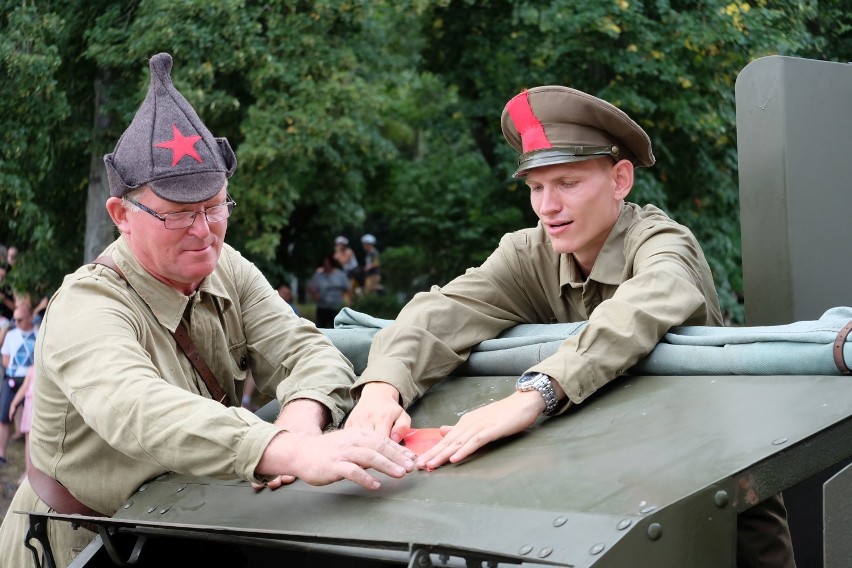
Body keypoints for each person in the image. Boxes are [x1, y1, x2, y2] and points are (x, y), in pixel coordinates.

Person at [345, 86, 795, 567]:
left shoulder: (660, 240)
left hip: (709, 489)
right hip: (601, 489)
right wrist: (381, 390)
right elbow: (441, 312)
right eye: (536, 187)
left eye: (567, 183)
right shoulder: (529, 253)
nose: (547, 206)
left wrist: (533, 394)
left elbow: (652, 297)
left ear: (620, 179)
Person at [0, 52, 414, 568]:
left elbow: (307, 350)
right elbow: (139, 410)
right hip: (80, 542)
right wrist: (280, 450)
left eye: (215, 206)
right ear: (121, 215)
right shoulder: (87, 306)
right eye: (177, 215)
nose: (204, 231)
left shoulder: (225, 265)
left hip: (181, 526)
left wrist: (300, 426)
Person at [0, 301, 36, 466]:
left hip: (32, 384)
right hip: (13, 381)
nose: (16, 323)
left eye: (20, 320)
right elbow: (6, 360)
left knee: (31, 427)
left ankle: (30, 467)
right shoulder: (10, 335)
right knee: (4, 417)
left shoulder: (39, 334)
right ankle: (1, 454)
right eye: (14, 320)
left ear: (30, 317)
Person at [308, 255, 352, 328]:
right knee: (321, 327)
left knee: (335, 327)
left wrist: (349, 300)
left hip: (336, 306)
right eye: (324, 264)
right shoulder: (319, 276)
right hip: (322, 306)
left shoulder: (340, 275)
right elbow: (312, 287)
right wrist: (315, 294)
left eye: (328, 264)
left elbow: (348, 289)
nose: (326, 266)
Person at [9, 365, 35, 483]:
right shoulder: (31, 369)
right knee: (28, 440)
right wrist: (14, 404)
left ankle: (40, 473)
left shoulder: (48, 367)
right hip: (30, 407)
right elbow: (24, 387)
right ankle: (28, 471)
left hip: (42, 409)